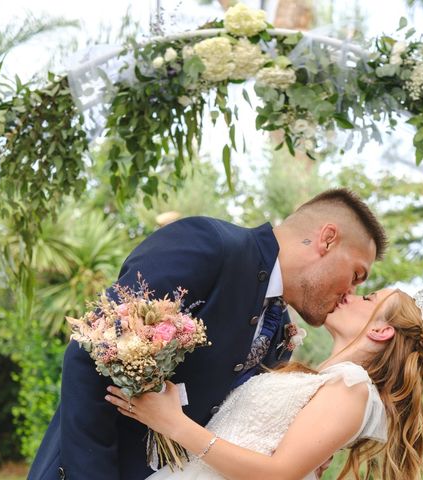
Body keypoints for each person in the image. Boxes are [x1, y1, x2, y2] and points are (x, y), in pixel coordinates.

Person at [28, 188, 387, 480]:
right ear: (327, 239)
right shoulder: (210, 245)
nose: (350, 294)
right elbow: (92, 353)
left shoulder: (279, 332)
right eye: (356, 275)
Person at [106, 288, 423, 480]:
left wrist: (173, 423)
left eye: (368, 298)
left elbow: (279, 474)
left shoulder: (353, 386)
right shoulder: (326, 381)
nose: (351, 294)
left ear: (381, 331)